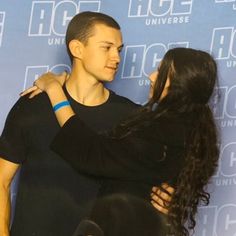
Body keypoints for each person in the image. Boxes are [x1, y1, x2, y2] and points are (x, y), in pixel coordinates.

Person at [0, 11, 170, 236]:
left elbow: (152, 189)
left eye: (119, 50)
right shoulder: (32, 106)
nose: (117, 58)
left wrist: (168, 197)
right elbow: (2, 181)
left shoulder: (131, 117)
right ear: (77, 49)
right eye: (106, 47)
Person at [27, 47, 220, 236]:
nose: (151, 77)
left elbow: (92, 153)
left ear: (180, 85)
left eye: (161, 73)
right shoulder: (192, 134)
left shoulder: (160, 135)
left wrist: (54, 90)